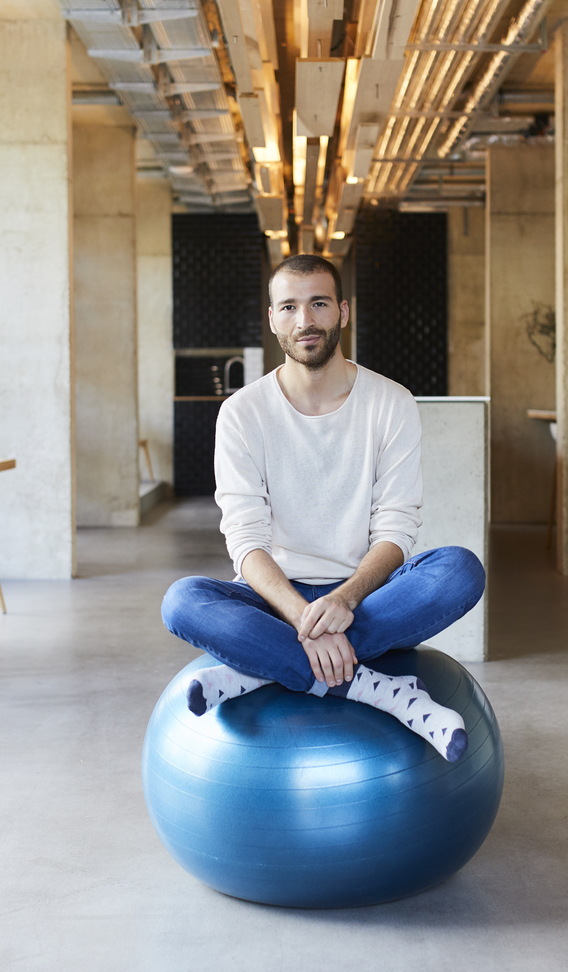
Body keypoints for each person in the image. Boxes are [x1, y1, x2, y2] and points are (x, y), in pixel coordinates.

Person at [160, 254, 485, 762]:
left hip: (366, 596)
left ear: (343, 312)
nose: (305, 320)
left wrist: (345, 600)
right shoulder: (242, 413)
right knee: (182, 601)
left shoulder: (390, 401)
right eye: (288, 307)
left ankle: (259, 668)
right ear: (272, 318)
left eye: (318, 304)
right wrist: (301, 616)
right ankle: (382, 691)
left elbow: (397, 528)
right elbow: (245, 539)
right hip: (274, 599)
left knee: (460, 570)